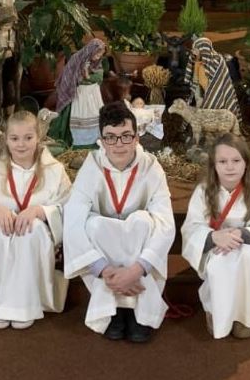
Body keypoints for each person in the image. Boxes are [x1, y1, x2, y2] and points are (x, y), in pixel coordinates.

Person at [63, 101, 175, 342]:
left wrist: (136, 270)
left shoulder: (151, 167)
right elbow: (72, 220)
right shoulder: (91, 166)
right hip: (106, 265)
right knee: (94, 225)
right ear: (101, 141)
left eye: (126, 136)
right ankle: (112, 310)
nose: (119, 144)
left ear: (137, 138)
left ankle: (138, 312)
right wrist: (104, 270)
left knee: (144, 221)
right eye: (111, 138)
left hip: (139, 258)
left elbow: (166, 224)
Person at [0, 110, 72, 329]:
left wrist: (40, 211)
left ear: (38, 137)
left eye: (28, 138)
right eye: (14, 138)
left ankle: (24, 305)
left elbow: (68, 205)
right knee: (0, 228)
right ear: (6, 139)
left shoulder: (54, 170)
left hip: (37, 235)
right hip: (3, 230)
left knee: (33, 229)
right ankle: (3, 301)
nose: (21, 145)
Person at [181, 133, 250, 340]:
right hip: (217, 251)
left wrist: (244, 234)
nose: (230, 167)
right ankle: (218, 313)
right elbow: (191, 228)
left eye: (236, 160)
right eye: (223, 161)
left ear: (246, 163)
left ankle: (243, 318)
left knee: (247, 255)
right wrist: (214, 238)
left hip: (248, 252)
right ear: (214, 165)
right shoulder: (203, 193)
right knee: (223, 262)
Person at [48, 38, 106, 148]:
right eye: (97, 54)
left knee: (96, 116)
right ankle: (73, 139)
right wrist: (83, 77)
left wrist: (88, 77)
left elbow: (99, 77)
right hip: (77, 94)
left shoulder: (96, 62)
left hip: (92, 94)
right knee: (73, 115)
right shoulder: (77, 58)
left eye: (100, 55)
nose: (98, 57)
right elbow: (70, 75)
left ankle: (94, 138)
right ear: (91, 51)